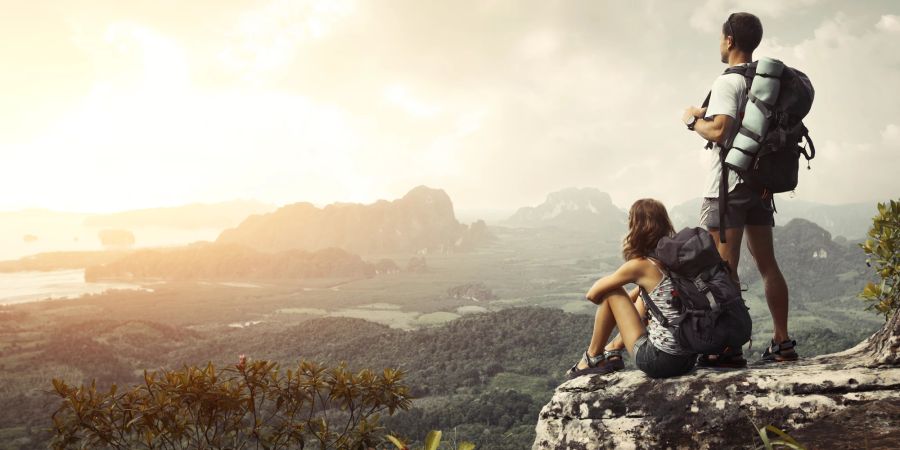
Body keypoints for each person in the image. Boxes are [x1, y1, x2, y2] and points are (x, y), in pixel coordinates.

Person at [681, 12, 797, 363]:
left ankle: (728, 347)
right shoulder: (765, 84)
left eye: (720, 37)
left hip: (728, 187)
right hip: (760, 185)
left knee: (723, 268)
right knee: (768, 265)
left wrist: (691, 121)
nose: (719, 43)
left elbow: (720, 131)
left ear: (730, 40)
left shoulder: (728, 82)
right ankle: (782, 342)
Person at [567, 199, 697, 379]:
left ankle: (592, 358)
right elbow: (647, 297)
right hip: (688, 359)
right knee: (642, 295)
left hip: (660, 361)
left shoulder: (641, 265)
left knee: (613, 292)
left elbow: (593, 295)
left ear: (636, 226)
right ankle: (612, 350)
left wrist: (615, 286)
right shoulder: (673, 261)